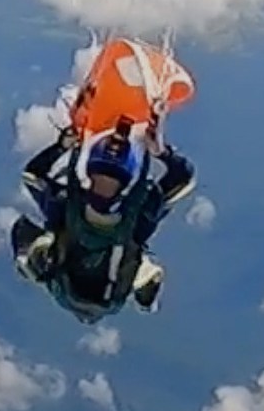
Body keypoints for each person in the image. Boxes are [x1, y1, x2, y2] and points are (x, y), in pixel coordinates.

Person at [10, 120, 195, 321]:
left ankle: (37, 258)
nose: (104, 188)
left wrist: (61, 146)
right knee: (33, 240)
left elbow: (32, 175)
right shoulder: (140, 216)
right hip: (96, 287)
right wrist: (162, 153)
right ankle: (144, 285)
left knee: (27, 236)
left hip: (77, 282)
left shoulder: (64, 204)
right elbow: (183, 179)